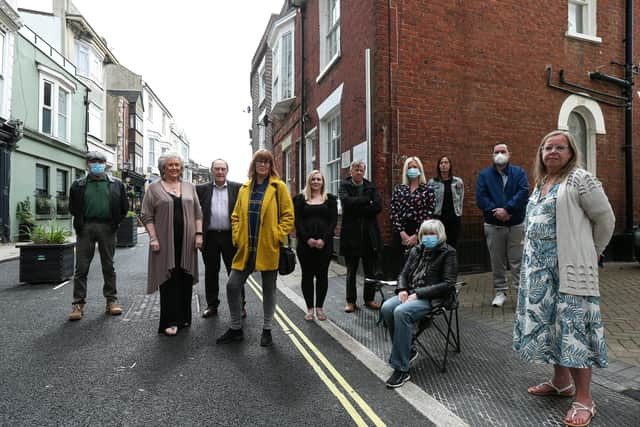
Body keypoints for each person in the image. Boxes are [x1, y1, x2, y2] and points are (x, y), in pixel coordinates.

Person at [513, 131, 614, 427]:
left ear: (571, 153)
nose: (553, 151)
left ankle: (584, 398)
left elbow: (606, 219)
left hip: (568, 271)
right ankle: (561, 383)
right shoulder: (542, 182)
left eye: (560, 147)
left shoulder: (580, 179)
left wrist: (593, 252)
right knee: (552, 330)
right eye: (548, 147)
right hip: (539, 275)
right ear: (541, 153)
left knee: (574, 333)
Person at [216, 149, 294, 347]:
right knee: (232, 285)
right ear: (254, 164)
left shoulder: (279, 188)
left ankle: (267, 329)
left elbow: (288, 216)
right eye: (260, 161)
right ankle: (235, 328)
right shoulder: (245, 188)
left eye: (267, 162)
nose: (263, 165)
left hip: (268, 247)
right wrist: (237, 236)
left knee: (269, 289)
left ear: (271, 166)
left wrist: (276, 235)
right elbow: (235, 216)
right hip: (246, 247)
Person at [380, 219, 457, 388]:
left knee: (401, 312)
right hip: (411, 294)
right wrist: (402, 289)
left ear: (440, 235)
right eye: (425, 233)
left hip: (432, 298)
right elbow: (403, 274)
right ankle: (408, 350)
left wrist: (418, 294)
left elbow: (448, 283)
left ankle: (402, 368)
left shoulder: (448, 252)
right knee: (386, 308)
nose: (428, 237)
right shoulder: (417, 250)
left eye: (432, 234)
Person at [141, 153, 203, 336]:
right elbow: (146, 215)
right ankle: (170, 321)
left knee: (184, 278)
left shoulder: (190, 187)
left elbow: (198, 213)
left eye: (177, 165)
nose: (175, 168)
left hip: (187, 242)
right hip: (164, 243)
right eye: (170, 165)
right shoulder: (153, 188)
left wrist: (199, 234)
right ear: (163, 168)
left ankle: (184, 318)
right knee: (168, 280)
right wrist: (153, 238)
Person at [68, 151, 128, 321]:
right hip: (85, 227)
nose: (97, 164)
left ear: (105, 163)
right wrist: (81, 222)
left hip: (107, 227)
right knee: (81, 268)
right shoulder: (78, 185)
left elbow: (124, 207)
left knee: (108, 266)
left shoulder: (116, 184)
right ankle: (78, 304)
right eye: (93, 161)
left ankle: (111, 301)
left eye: (100, 161)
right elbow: (73, 207)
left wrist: (115, 222)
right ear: (87, 164)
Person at [476, 143, 529, 307]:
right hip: (494, 225)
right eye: (496, 152)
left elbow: (523, 192)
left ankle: (521, 292)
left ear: (509, 154)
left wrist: (508, 209)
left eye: (502, 151)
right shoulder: (484, 175)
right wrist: (496, 211)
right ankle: (500, 292)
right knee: (497, 261)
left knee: (517, 260)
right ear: (492, 155)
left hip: (516, 224)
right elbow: (481, 197)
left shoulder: (519, 173)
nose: (499, 154)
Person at [196, 158, 246, 318]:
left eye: (222, 169)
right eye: (216, 169)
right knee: (211, 272)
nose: (219, 172)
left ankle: (240, 306)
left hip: (230, 237)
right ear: (212, 171)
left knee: (236, 272)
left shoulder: (238, 188)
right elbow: (195, 212)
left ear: (227, 171)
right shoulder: (201, 189)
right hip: (209, 237)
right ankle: (212, 305)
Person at [339, 160, 383, 313]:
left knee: (369, 271)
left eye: (361, 170)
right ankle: (351, 301)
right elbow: (346, 202)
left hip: (369, 236)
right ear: (351, 171)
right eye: (356, 169)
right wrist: (366, 202)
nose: (358, 172)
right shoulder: (344, 186)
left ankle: (369, 299)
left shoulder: (370, 186)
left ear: (364, 171)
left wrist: (357, 207)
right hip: (351, 236)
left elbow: (378, 206)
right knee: (351, 271)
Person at [293, 170, 338, 321]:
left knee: (322, 276)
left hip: (324, 245)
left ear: (323, 182)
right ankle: (310, 309)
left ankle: (319, 308)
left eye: (319, 179)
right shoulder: (300, 199)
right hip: (305, 246)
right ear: (309, 181)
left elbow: (333, 222)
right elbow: (297, 221)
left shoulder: (330, 199)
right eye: (313, 179)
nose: (316, 182)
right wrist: (308, 239)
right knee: (307, 276)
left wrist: (323, 240)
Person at [390, 156, 435, 260]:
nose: (412, 169)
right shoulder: (399, 189)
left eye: (415, 167)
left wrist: (416, 235)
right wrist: (402, 233)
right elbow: (394, 211)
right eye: (409, 167)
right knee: (401, 267)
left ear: (420, 169)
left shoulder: (428, 190)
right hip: (401, 233)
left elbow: (429, 214)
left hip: (420, 233)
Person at [428, 156, 464, 248]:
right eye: (441, 163)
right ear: (438, 166)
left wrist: (459, 213)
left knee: (452, 244)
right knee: (438, 244)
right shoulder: (432, 182)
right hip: (438, 218)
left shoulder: (457, 181)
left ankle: (451, 262)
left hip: (453, 218)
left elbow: (461, 199)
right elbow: (429, 200)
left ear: (450, 165)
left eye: (446, 162)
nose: (443, 165)